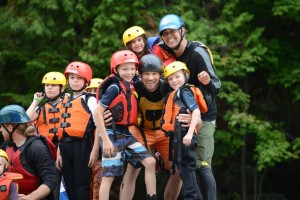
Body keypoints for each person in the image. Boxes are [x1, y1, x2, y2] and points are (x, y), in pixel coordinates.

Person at [157, 14, 221, 200]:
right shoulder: (164, 54)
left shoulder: (197, 52)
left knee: (202, 164)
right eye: (165, 34)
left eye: (173, 31)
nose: (169, 36)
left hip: (205, 116)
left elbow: (217, 87)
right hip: (181, 121)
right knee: (184, 165)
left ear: (182, 30)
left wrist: (207, 82)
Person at [93, 50, 157, 200]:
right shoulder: (114, 88)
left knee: (150, 162)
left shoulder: (130, 85)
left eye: (132, 68)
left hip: (126, 133)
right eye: (124, 69)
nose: (129, 72)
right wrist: (106, 141)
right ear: (116, 70)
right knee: (109, 176)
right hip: (111, 134)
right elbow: (97, 112)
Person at [119, 54, 184, 200]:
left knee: (179, 167)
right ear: (140, 74)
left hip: (163, 131)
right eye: (146, 74)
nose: (150, 78)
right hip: (139, 130)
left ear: (160, 75)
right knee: (133, 167)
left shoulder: (168, 87)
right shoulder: (133, 87)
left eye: (154, 74)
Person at [161, 61, 208, 200]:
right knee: (184, 169)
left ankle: (192, 198)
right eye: (171, 78)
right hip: (179, 136)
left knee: (187, 169)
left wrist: (189, 132)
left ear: (185, 76)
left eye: (177, 77)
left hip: (185, 135)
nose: (174, 80)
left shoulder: (184, 91)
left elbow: (196, 111)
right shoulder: (178, 92)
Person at [55, 61, 99, 200]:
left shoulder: (90, 99)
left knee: (81, 186)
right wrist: (59, 153)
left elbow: (98, 126)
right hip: (65, 147)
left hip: (82, 146)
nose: (75, 81)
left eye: (79, 78)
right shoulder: (66, 100)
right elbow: (62, 130)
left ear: (86, 81)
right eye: (72, 78)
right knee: (69, 186)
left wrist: (95, 150)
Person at [0, 104, 57, 199]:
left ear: (10, 127)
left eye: (1, 126)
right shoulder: (6, 146)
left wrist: (30, 197)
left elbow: (51, 181)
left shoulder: (37, 148)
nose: (0, 130)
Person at [26, 71, 66, 200]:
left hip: (65, 148)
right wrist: (36, 101)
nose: (49, 88)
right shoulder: (41, 108)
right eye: (47, 85)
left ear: (62, 88)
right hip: (46, 150)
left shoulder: (68, 104)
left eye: (54, 85)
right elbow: (25, 119)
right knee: (49, 183)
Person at [85, 77, 104, 200]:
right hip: (85, 154)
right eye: (90, 91)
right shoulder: (84, 110)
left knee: (99, 185)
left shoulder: (109, 110)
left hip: (103, 157)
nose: (93, 94)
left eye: (96, 91)